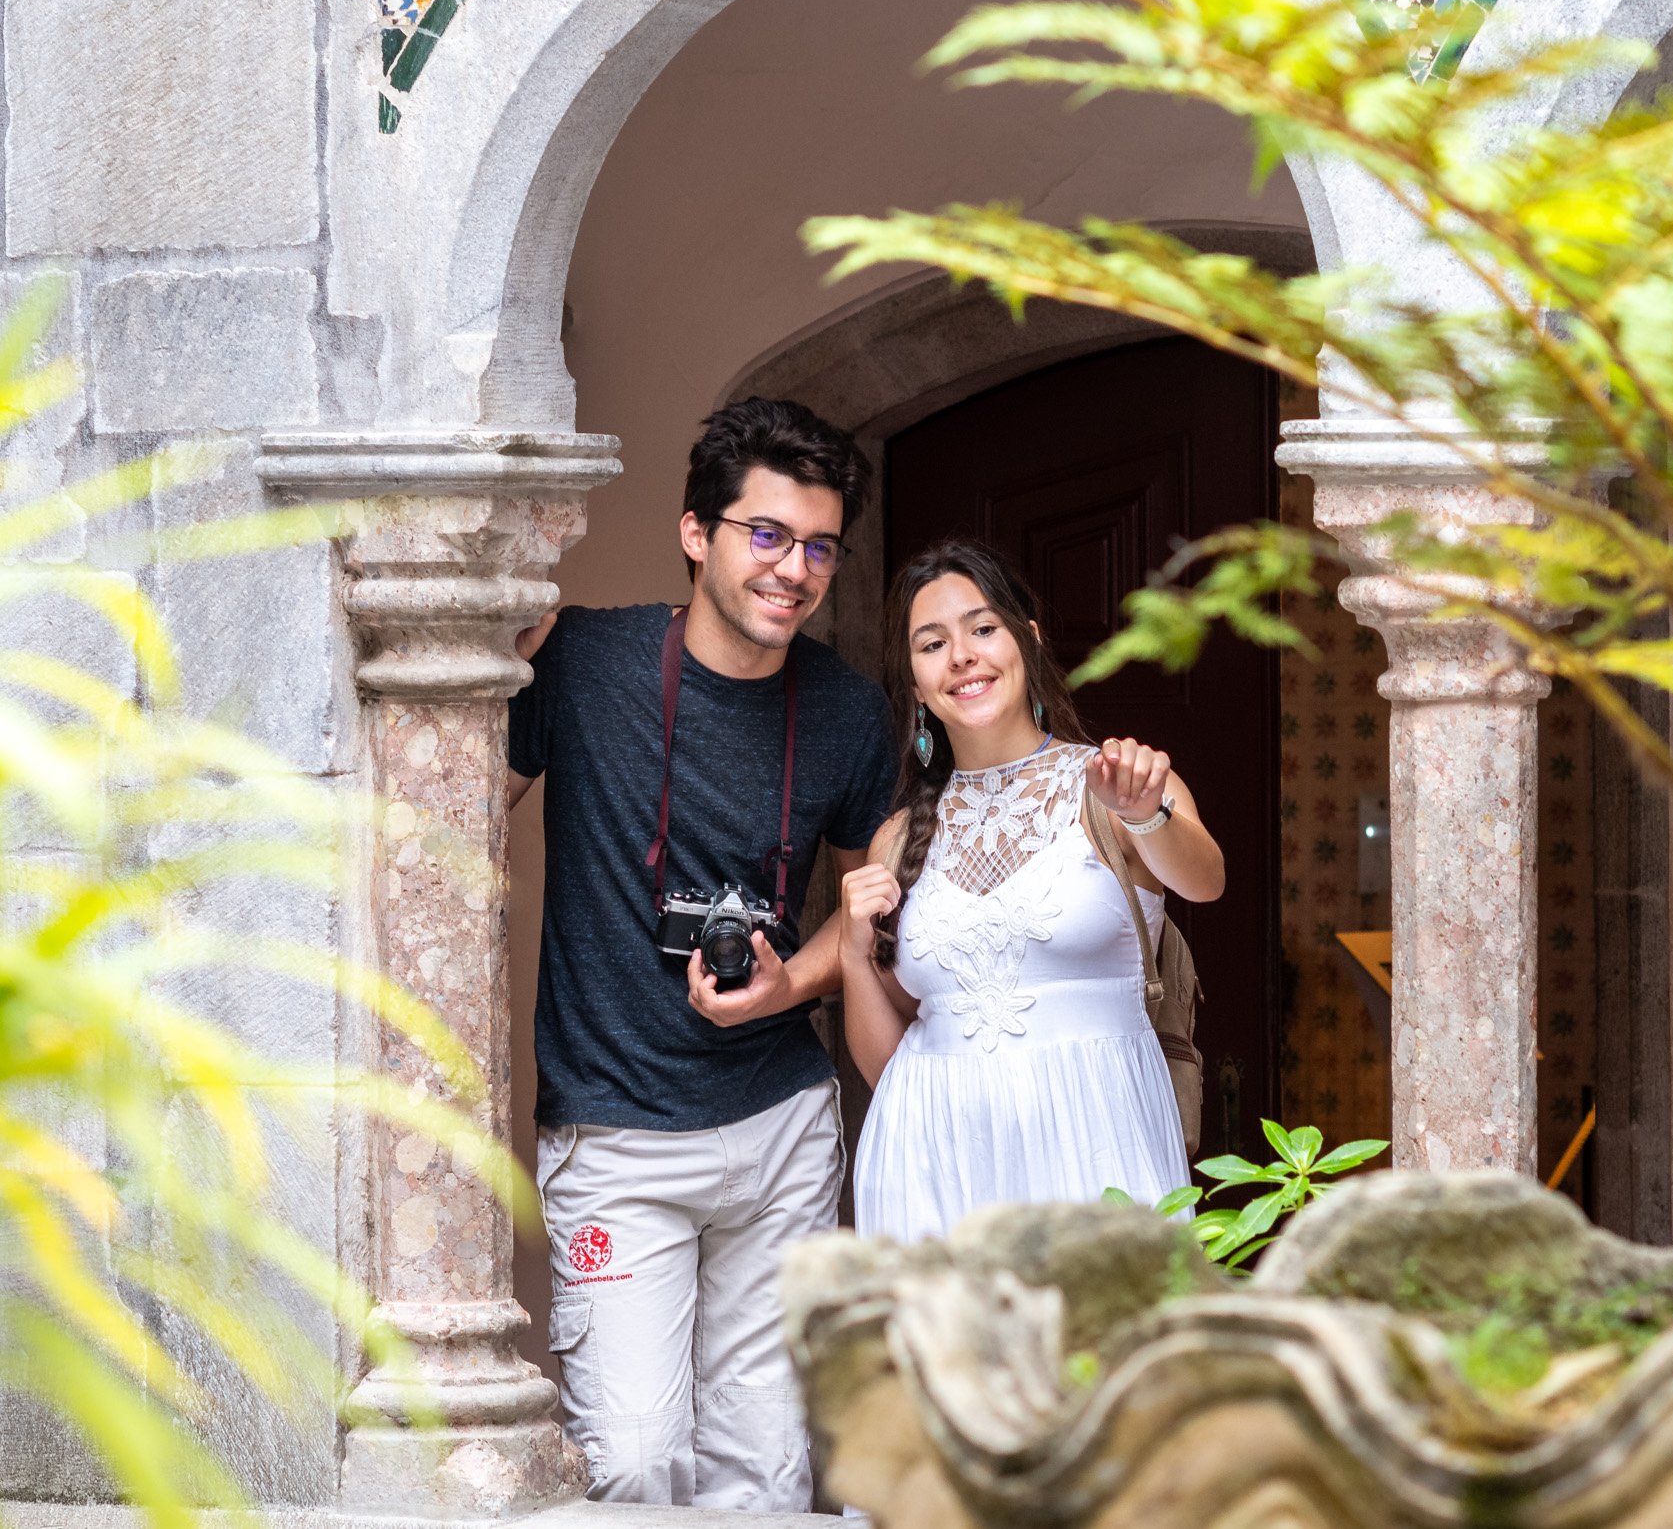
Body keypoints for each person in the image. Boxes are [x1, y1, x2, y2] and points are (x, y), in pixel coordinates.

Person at [503, 398, 893, 1509]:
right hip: (617, 1130)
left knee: (763, 1477)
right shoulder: (583, 662)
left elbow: (875, 913)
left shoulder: (851, 714)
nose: (794, 570)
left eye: (819, 547)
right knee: (630, 1462)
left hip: (780, 1129)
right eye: (766, 534)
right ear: (696, 533)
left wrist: (794, 979)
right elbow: (455, 818)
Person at [837, 539, 1227, 1239]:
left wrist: (1147, 812)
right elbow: (888, 1060)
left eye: (983, 628)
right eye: (933, 643)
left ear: (1030, 640)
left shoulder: (1115, 783)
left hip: (1097, 1147)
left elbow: (1205, 881)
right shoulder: (896, 840)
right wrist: (849, 949)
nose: (962, 655)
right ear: (917, 684)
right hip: (930, 1165)